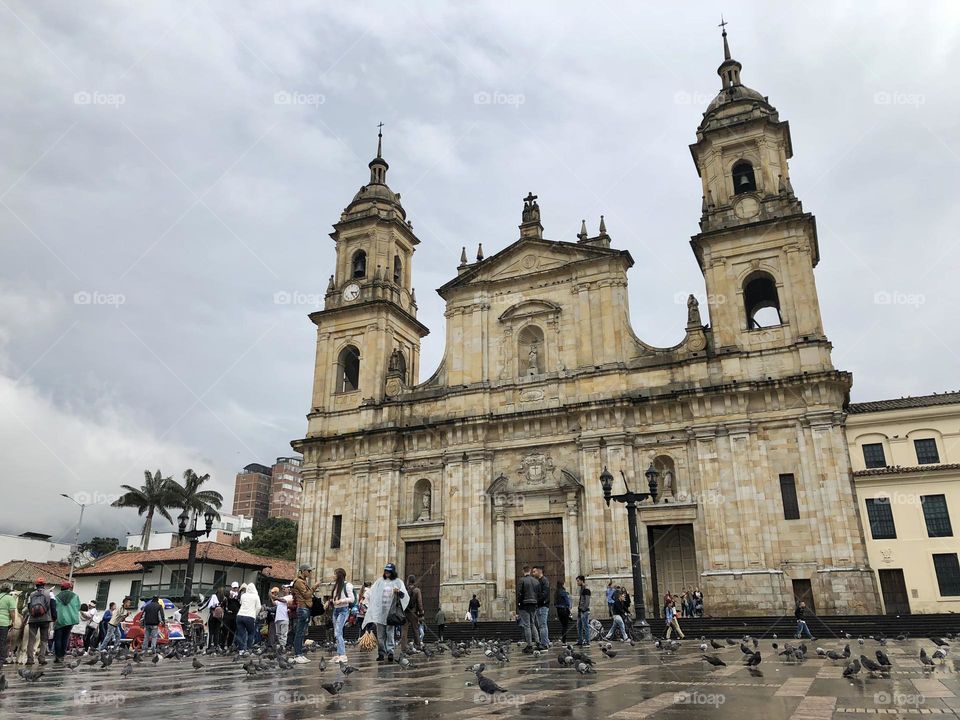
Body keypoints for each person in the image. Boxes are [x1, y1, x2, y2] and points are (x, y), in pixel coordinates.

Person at [361, 563, 408, 662]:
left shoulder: (398, 582)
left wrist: (398, 592)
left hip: (391, 613)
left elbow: (404, 596)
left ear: (392, 572)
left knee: (390, 633)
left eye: (389, 571)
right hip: (380, 612)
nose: (386, 573)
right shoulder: (379, 582)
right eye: (386, 571)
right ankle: (381, 653)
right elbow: (371, 593)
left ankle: (390, 652)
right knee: (380, 634)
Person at [291, 564, 322, 663]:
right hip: (303, 608)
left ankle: (299, 653)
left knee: (302, 632)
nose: (310, 573)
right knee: (299, 632)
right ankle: (297, 654)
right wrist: (314, 587)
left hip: (305, 609)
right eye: (309, 571)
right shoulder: (299, 582)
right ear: (303, 571)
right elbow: (306, 595)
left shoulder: (303, 581)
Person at [25, 577, 53, 666]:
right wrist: (53, 618)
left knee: (31, 640)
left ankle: (30, 659)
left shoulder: (31, 594)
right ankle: (41, 659)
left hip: (33, 620)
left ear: (36, 585)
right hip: (45, 619)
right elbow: (53, 606)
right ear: (44, 585)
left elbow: (29, 607)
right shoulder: (50, 594)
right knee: (44, 640)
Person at [330, 568, 354, 663]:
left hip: (343, 610)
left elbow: (351, 599)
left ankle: (343, 654)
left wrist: (341, 601)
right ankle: (339, 653)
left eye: (335, 574)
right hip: (336, 609)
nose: (333, 576)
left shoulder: (347, 585)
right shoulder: (336, 586)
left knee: (338, 631)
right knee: (337, 632)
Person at [53, 580, 80, 662]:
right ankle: (62, 656)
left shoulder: (57, 597)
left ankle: (57, 656)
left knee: (58, 638)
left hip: (60, 620)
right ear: (69, 587)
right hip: (70, 620)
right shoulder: (75, 596)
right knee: (65, 638)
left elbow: (54, 608)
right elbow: (78, 607)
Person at [516, 565, 539, 653]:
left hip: (524, 604)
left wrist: (519, 603)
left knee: (527, 625)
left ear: (523, 571)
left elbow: (519, 593)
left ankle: (529, 645)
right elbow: (538, 593)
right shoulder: (535, 581)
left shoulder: (522, 580)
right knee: (532, 623)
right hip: (533, 604)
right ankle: (537, 642)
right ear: (530, 571)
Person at [234, 583, 260, 653]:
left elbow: (241, 603)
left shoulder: (243, 595)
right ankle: (248, 649)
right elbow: (259, 607)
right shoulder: (256, 596)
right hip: (250, 617)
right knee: (251, 633)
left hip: (239, 615)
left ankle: (241, 649)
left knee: (240, 633)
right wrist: (255, 614)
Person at [400, 575, 423, 654]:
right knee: (415, 629)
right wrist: (421, 614)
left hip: (404, 612)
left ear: (408, 581)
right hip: (413, 613)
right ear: (414, 581)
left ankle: (403, 648)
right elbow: (419, 603)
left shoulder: (404, 590)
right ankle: (418, 646)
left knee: (404, 630)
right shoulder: (417, 590)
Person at [532, 566, 550, 648]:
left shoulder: (544, 580)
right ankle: (545, 641)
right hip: (539, 606)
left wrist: (537, 600)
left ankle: (544, 644)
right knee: (541, 625)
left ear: (540, 571)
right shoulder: (539, 581)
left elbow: (545, 594)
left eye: (534, 571)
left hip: (542, 606)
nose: (533, 573)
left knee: (542, 625)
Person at [269, 587, 291, 651]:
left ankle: (283, 646)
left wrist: (274, 597)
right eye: (283, 589)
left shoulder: (289, 596)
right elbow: (274, 603)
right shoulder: (280, 598)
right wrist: (271, 597)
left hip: (284, 618)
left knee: (283, 634)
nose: (283, 590)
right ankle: (280, 646)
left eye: (285, 589)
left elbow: (283, 600)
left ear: (288, 590)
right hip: (278, 618)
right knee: (278, 634)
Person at [0, 582, 16, 665]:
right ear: (9, 590)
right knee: (2, 641)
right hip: (3, 623)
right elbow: (12, 611)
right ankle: (2, 660)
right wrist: (13, 621)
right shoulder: (10, 598)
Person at [223, 582, 241, 649]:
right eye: (234, 588)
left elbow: (240, 605)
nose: (235, 589)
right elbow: (224, 604)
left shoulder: (239, 596)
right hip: (227, 615)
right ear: (231, 587)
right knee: (225, 630)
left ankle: (229, 645)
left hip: (235, 616)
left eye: (236, 587)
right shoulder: (227, 594)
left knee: (232, 631)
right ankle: (222, 645)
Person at [575, 575, 591, 647]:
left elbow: (587, 601)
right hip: (580, 611)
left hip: (584, 611)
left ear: (582, 580)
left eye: (578, 581)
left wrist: (583, 609)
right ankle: (580, 641)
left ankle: (587, 641)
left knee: (585, 626)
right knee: (579, 626)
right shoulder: (582, 589)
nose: (577, 582)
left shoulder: (586, 589)